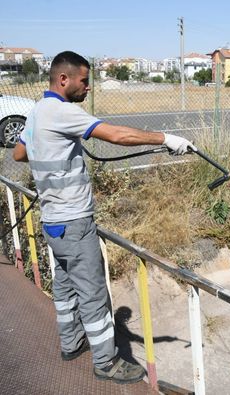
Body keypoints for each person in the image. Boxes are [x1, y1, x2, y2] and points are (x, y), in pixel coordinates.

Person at [13, 50, 195, 384]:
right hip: (75, 223)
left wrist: (54, 158)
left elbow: (19, 153)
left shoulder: (37, 111)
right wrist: (167, 139)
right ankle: (107, 362)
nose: (89, 88)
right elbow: (116, 135)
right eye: (84, 81)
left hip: (52, 222)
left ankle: (71, 344)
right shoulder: (63, 112)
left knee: (66, 289)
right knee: (94, 295)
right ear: (63, 79)